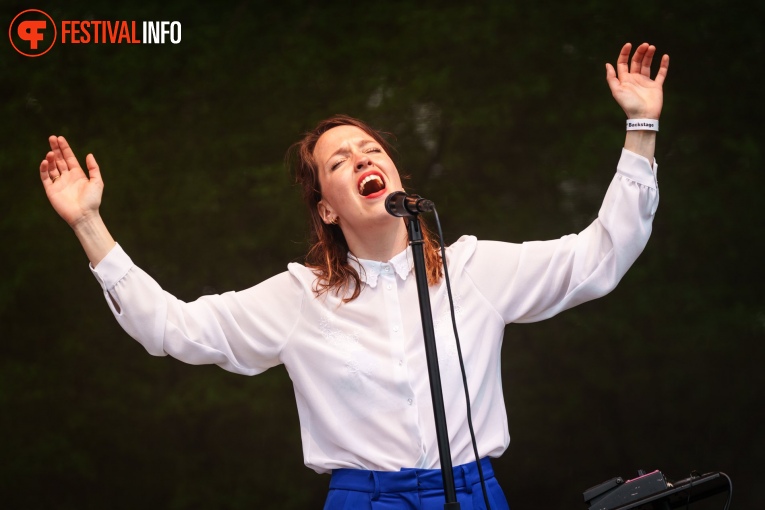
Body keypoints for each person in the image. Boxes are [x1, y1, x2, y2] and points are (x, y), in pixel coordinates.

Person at [39, 42, 668, 509]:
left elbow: (600, 257)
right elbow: (172, 327)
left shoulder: (473, 268)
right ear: (326, 208)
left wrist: (641, 128)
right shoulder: (301, 298)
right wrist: (90, 226)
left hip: (475, 492)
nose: (362, 157)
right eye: (338, 160)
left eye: (371, 150)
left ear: (396, 176)